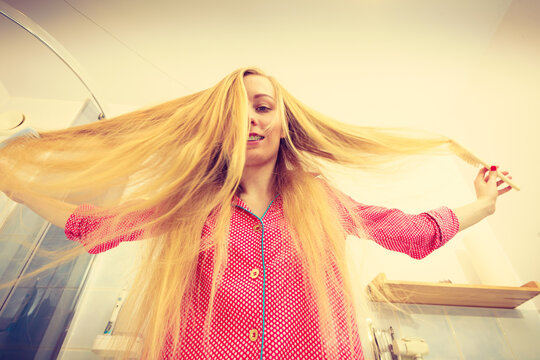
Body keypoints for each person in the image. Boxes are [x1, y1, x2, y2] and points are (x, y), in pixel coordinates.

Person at [0, 67, 513, 359]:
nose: (248, 120)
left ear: (285, 123)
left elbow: (413, 234)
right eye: (233, 114)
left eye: (263, 107)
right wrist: (19, 190)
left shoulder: (322, 200)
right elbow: (95, 228)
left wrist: (484, 206)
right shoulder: (190, 206)